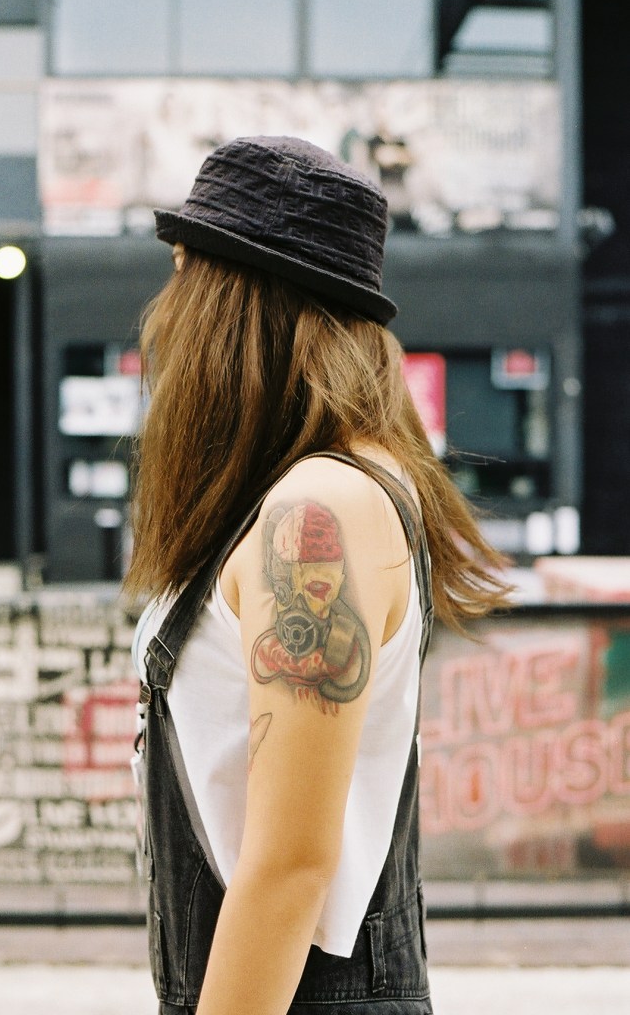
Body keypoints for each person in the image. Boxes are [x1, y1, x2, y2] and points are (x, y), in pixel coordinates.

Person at [126, 135, 510, 1015]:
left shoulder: (318, 510)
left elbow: (291, 865)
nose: (164, 312)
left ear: (233, 301)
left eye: (184, 273)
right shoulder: (330, 487)